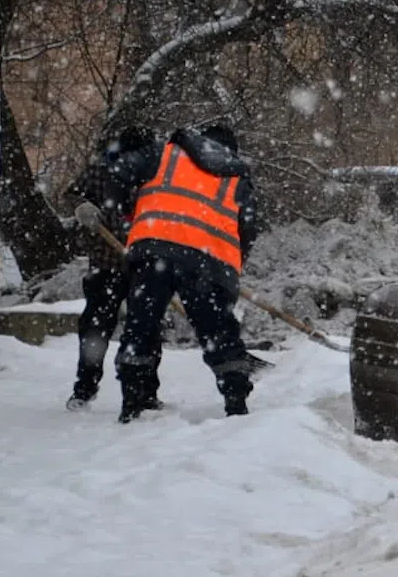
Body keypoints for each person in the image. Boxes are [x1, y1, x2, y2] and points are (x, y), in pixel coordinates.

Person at [105, 123, 261, 423]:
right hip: (207, 261)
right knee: (218, 332)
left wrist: (129, 213)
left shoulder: (164, 155)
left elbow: (118, 171)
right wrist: (230, 271)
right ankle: (236, 402)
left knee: (141, 326)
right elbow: (247, 228)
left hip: (153, 249)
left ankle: (133, 403)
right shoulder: (237, 175)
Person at [66, 127, 162, 411]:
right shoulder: (100, 172)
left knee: (147, 331)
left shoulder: (155, 177)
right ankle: (84, 389)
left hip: (145, 266)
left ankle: (146, 394)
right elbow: (71, 194)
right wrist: (81, 206)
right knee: (95, 330)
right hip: (106, 264)